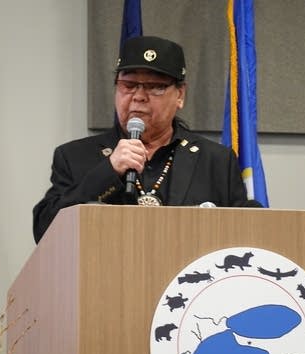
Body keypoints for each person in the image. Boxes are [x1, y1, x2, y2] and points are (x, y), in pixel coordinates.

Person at [33, 35, 256, 243]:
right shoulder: (75, 156)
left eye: (155, 87)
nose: (138, 97)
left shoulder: (215, 161)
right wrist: (108, 172)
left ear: (180, 95)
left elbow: (248, 235)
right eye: (128, 86)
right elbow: (45, 231)